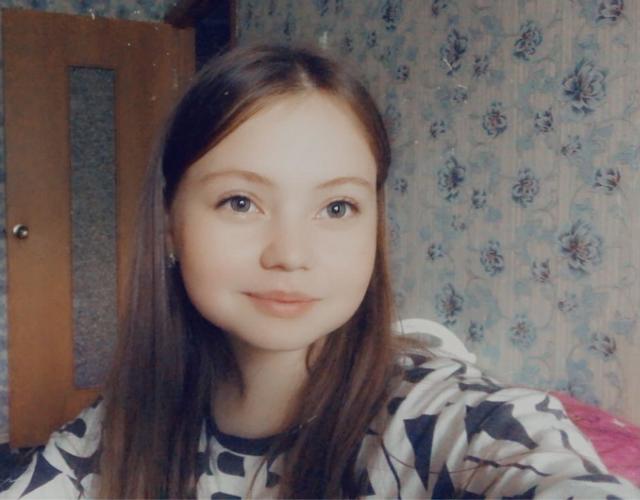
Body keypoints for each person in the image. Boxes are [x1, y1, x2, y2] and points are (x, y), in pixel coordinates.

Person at [1, 44, 638, 500]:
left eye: (337, 207)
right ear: (169, 223)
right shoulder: (121, 425)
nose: (291, 253)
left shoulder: (443, 422)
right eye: (241, 202)